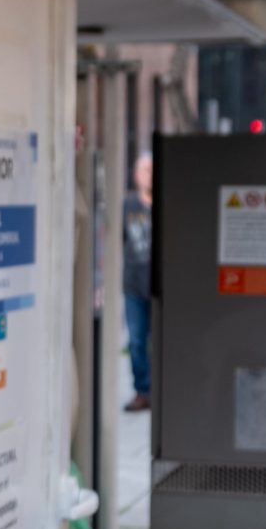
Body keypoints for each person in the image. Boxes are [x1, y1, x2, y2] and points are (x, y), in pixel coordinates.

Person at [121, 153, 154, 411]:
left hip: (158, 285)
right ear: (136, 175)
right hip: (133, 284)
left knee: (159, 340)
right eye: (144, 170)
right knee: (136, 341)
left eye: (152, 169)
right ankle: (142, 390)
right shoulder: (127, 206)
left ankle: (160, 388)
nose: (149, 174)